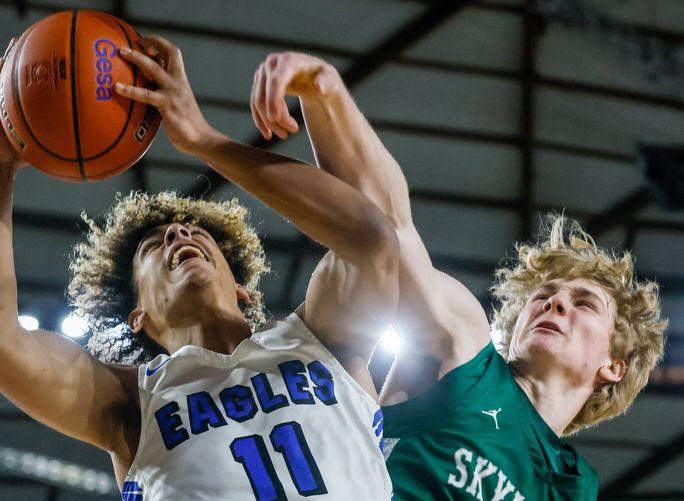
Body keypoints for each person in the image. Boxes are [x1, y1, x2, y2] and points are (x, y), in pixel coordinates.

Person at [0, 37, 398, 500]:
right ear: (138, 315)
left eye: (196, 233)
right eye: (153, 245)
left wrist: (203, 140)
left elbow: (373, 237)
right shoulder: (130, 403)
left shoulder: (319, 338)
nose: (178, 235)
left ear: (242, 289)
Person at [250, 51, 667, 500]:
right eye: (544, 295)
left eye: (584, 303)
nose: (555, 302)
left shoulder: (573, 487)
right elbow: (387, 222)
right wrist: (324, 92)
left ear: (614, 365)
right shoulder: (465, 352)